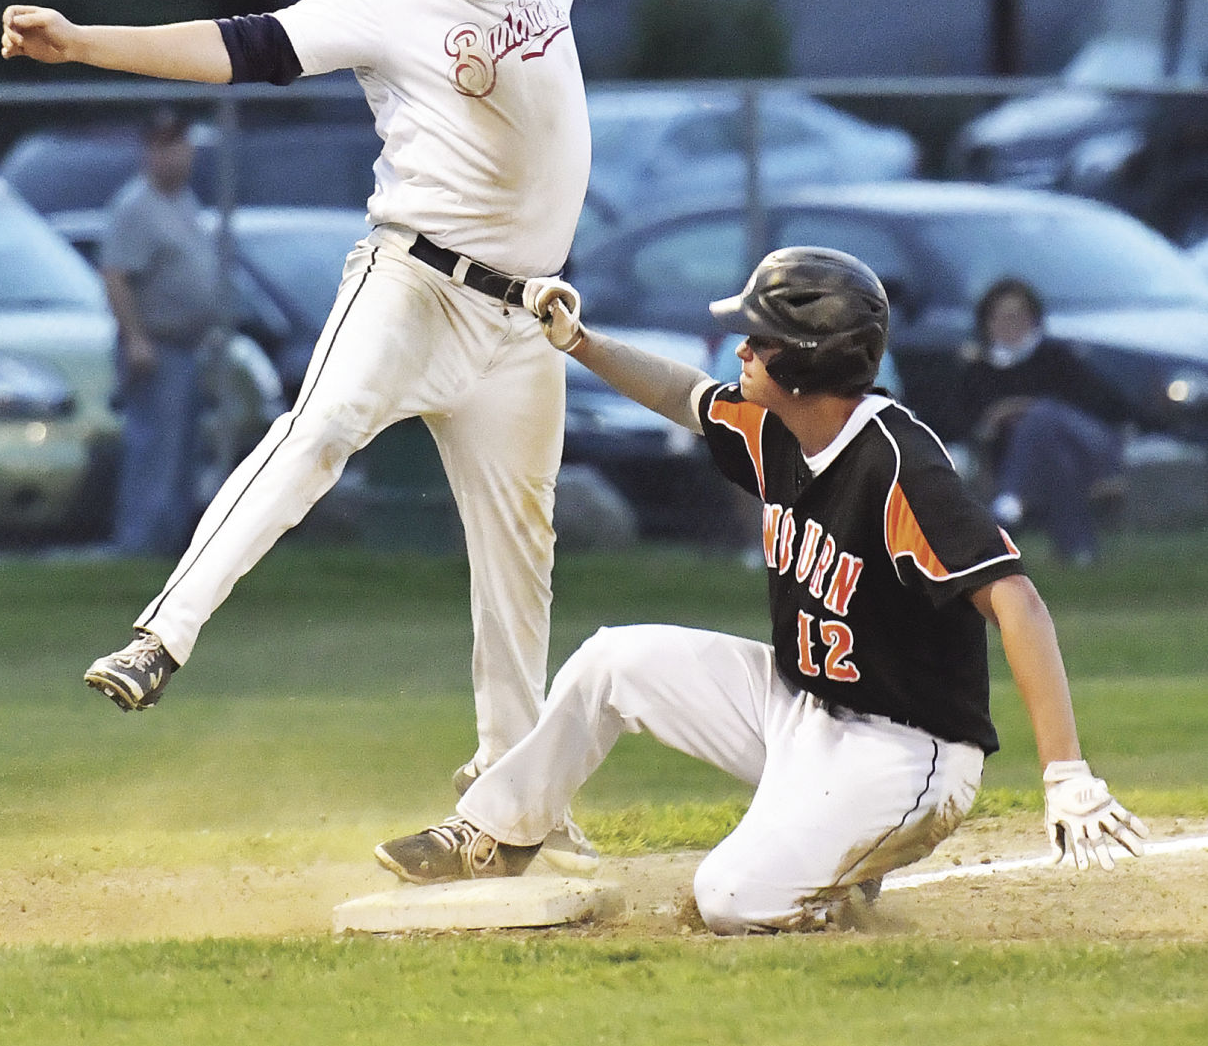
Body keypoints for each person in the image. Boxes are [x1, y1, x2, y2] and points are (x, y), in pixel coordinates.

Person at [0, 0, 611, 874]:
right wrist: (81, 44)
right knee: (316, 433)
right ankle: (161, 636)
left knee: (521, 556)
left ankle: (507, 809)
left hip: (523, 322)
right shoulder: (385, 1)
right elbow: (235, 48)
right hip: (415, 285)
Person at [375, 248, 1147, 933]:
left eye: (760, 336)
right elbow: (683, 395)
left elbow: (1017, 601)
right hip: (799, 704)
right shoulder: (775, 426)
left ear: (808, 359)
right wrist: (580, 341)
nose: (741, 346)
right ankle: (494, 832)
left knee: (729, 898)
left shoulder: (897, 466)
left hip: (907, 750)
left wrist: (1066, 772)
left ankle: (845, 863)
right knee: (613, 660)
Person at [100, 106, 220, 559]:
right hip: (156, 348)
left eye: (181, 143)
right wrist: (135, 339)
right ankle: (137, 550)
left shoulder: (184, 201)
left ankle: (170, 551)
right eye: (165, 144)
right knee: (155, 455)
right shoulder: (136, 205)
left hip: (188, 348)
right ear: (149, 151)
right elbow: (115, 275)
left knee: (182, 456)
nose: (176, 154)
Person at [955, 277, 1131, 567]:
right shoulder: (978, 371)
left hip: (1088, 446)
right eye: (1002, 317)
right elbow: (961, 421)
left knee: (1042, 415)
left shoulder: (1057, 357)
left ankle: (1011, 498)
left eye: (1018, 316)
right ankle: (1079, 553)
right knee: (1055, 459)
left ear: (1033, 319)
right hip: (1035, 460)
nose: (1011, 324)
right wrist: (994, 419)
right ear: (987, 323)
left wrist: (1027, 409)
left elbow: (1109, 405)